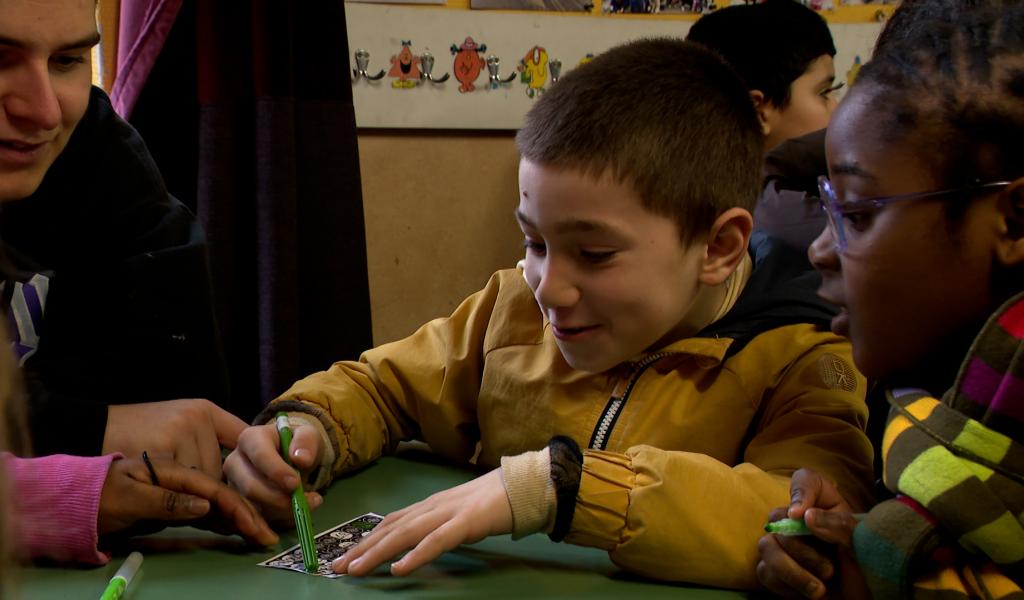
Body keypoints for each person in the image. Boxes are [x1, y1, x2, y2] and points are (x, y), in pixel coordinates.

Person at [225, 37, 874, 588]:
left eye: (593, 253)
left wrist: (554, 487)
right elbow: (385, 386)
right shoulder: (510, 307)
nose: (548, 288)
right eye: (534, 242)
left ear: (718, 246)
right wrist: (307, 428)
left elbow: (796, 522)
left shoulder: (805, 360)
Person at [755, 3, 1024, 597]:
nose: (820, 250)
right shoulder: (937, 424)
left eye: (854, 212)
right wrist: (868, 546)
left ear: (1013, 221)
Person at [0, 0, 244, 478]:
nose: (46, 112)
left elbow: (180, 403)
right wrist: (84, 433)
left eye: (67, 60)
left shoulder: (101, 154)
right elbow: (110, 427)